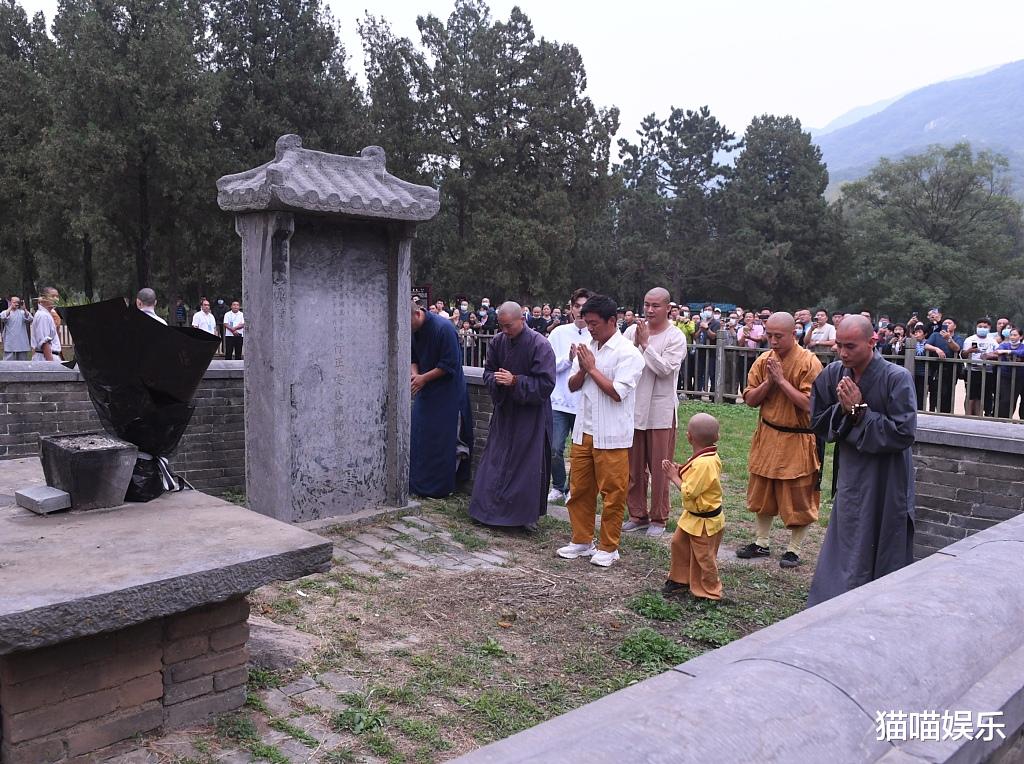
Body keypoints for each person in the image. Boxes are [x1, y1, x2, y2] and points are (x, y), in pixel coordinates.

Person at [807, 315, 917, 606]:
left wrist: (861, 413)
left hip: (887, 473)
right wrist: (846, 412)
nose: (843, 354)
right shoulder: (833, 374)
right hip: (853, 470)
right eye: (839, 346)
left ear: (872, 342)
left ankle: (881, 602)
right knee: (850, 527)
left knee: (885, 532)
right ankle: (837, 598)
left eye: (851, 347)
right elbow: (817, 420)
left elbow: (904, 433)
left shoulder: (896, 377)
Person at [556, 294, 645, 568]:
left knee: (613, 493)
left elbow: (617, 393)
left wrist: (592, 369)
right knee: (580, 488)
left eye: (594, 323)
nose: (590, 328)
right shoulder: (586, 347)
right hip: (584, 430)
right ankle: (582, 540)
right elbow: (571, 386)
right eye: (586, 322)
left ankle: (609, 546)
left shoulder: (628, 353)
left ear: (612, 321)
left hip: (612, 434)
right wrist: (583, 370)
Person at [737, 312, 823, 568]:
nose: (772, 341)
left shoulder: (810, 363)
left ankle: (794, 549)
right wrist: (770, 384)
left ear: (793, 334)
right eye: (769, 335)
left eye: (778, 336)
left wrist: (782, 381)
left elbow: (810, 404)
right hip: (768, 434)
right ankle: (761, 542)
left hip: (796, 438)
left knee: (797, 497)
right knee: (762, 492)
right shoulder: (764, 360)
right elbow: (751, 399)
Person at [469, 302, 555, 530]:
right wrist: (496, 380)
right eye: (501, 326)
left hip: (530, 415)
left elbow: (546, 384)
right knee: (495, 459)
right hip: (505, 411)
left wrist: (516, 381)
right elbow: (488, 371)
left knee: (527, 464)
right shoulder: (498, 341)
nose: (505, 331)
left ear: (522, 320)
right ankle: (487, 511)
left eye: (509, 326)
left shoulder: (540, 345)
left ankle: (523, 517)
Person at [621, 288, 686, 537]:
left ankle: (659, 517)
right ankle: (637, 514)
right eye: (647, 304)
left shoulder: (675, 337)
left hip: (660, 409)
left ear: (667, 307)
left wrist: (646, 345)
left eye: (656, 305)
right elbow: (623, 362)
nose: (649, 310)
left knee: (660, 467)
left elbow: (665, 370)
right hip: (634, 408)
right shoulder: (630, 332)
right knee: (633, 467)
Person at [410, 301, 473, 497]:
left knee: (442, 440)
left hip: (447, 392)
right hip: (425, 389)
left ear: (418, 315)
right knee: (420, 437)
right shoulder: (413, 329)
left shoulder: (443, 328)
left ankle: (440, 488)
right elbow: (414, 356)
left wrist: (423, 378)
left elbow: (449, 364)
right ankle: (417, 484)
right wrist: (415, 375)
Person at [661, 413, 725, 601]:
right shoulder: (703, 458)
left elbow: (690, 491)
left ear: (689, 437)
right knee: (678, 544)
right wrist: (681, 470)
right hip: (692, 518)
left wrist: (674, 476)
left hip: (705, 522)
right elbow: (696, 479)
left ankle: (710, 591)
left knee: (705, 557)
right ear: (718, 437)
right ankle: (680, 580)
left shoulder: (705, 463)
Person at [547, 288, 592, 502]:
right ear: (571, 308)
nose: (581, 311)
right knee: (555, 447)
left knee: (580, 451)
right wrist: (568, 359)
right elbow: (547, 366)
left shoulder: (596, 333)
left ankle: (572, 487)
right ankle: (557, 485)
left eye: (585, 307)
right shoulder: (559, 333)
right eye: (577, 306)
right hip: (559, 400)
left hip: (584, 401)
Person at [962, 318, 1000, 417]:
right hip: (973, 370)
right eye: (980, 327)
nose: (982, 328)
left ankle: (979, 416)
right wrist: (969, 351)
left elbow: (999, 354)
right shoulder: (970, 339)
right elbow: (963, 355)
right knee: (971, 395)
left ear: (989, 328)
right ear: (976, 327)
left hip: (988, 371)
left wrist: (989, 356)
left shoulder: (993, 341)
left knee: (981, 396)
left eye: (985, 327)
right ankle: (968, 416)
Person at [990, 327, 1024, 419]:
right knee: (1005, 399)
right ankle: (1002, 420)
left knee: (1017, 400)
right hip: (1005, 376)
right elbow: (998, 351)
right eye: (1011, 335)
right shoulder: (1004, 344)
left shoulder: (1022, 346)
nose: (1012, 337)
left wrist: (1008, 352)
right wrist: (1005, 351)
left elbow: (1022, 352)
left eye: (1015, 335)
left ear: (1021, 337)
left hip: (1020, 377)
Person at [31, 287, 62, 362]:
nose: (56, 299)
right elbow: (44, 342)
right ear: (43, 298)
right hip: (45, 358)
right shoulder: (43, 316)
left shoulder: (47, 314)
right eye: (52, 296)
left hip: (49, 357)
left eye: (57, 296)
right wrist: (50, 365)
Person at [1, 296, 34, 360]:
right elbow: (3, 317)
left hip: (21, 341)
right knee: (8, 362)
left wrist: (24, 309)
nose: (16, 304)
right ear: (10, 302)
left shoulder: (22, 312)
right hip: (10, 341)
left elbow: (30, 319)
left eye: (17, 302)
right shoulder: (6, 312)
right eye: (14, 302)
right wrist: (11, 307)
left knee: (22, 362)